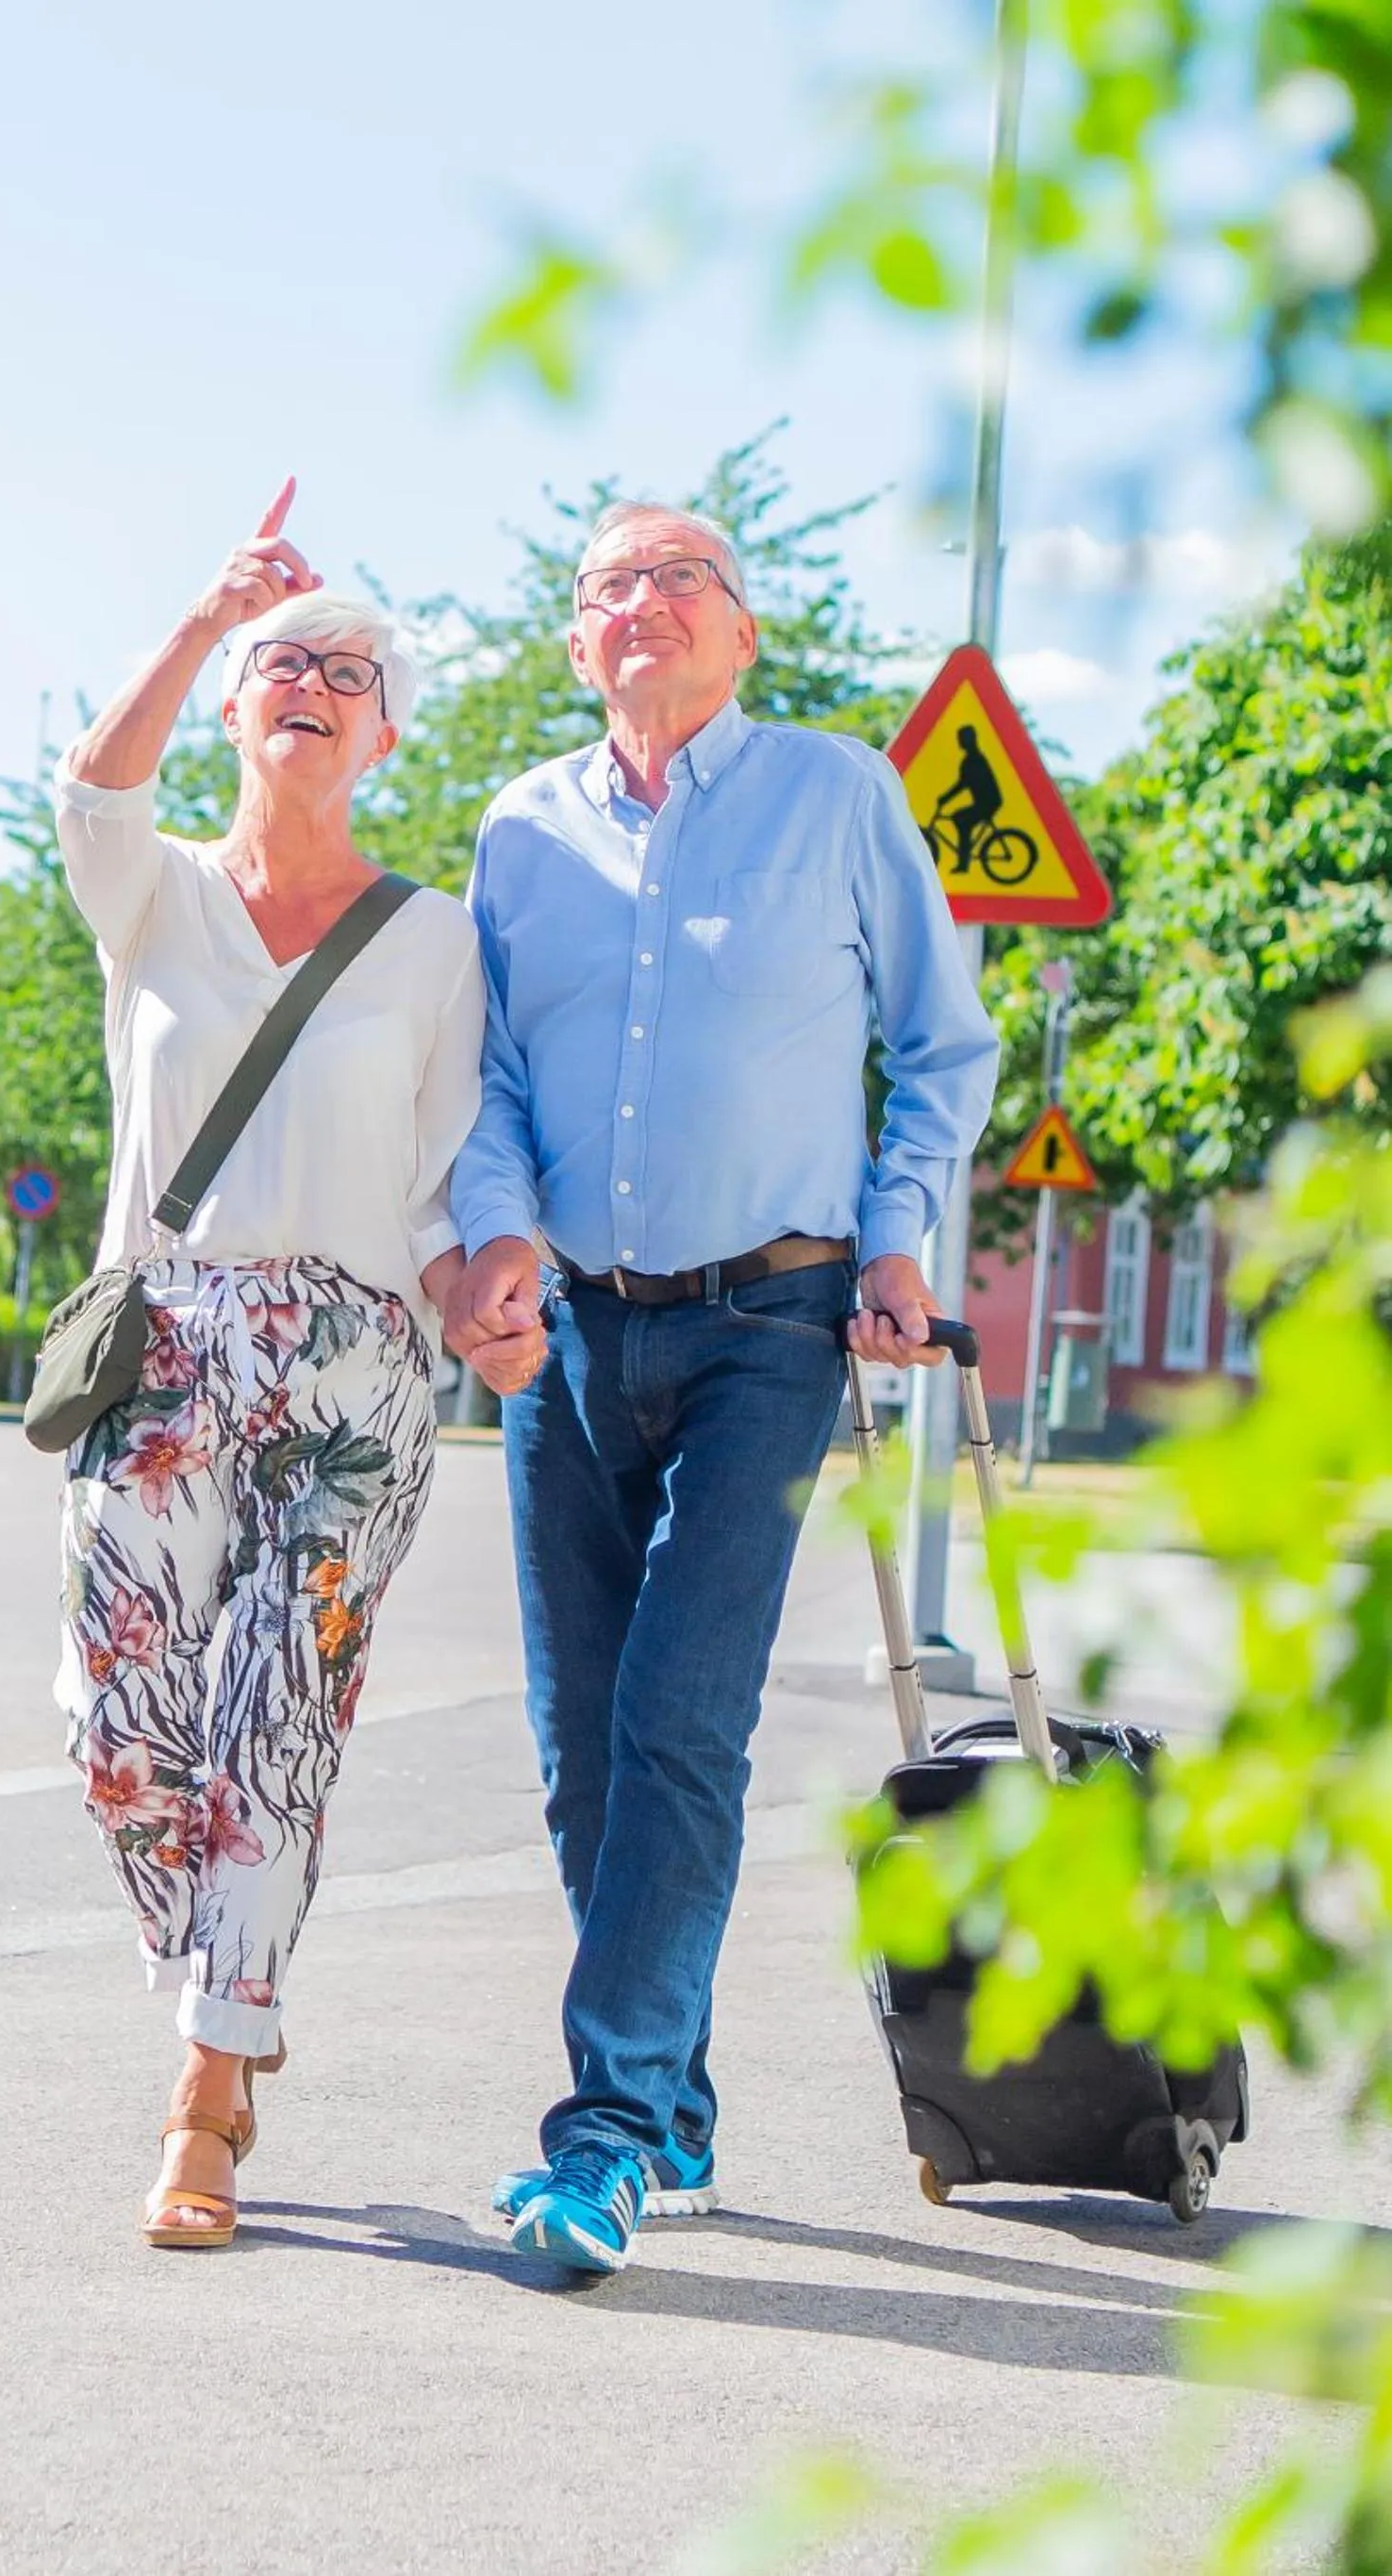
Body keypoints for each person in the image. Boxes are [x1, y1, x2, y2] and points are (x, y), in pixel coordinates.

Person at [446, 500, 1000, 2275]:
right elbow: (486, 1084)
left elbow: (940, 1041)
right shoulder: (518, 832)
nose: (643, 604)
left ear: (739, 631)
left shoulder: (834, 797)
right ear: (573, 641)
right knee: (579, 1756)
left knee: (682, 1721)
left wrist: (901, 1238)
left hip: (774, 1320)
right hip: (570, 1343)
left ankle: (601, 2134)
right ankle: (673, 2101)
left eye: (681, 577)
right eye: (608, 583)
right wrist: (499, 1232)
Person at [51, 484, 489, 2249]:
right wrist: (198, 612)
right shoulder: (148, 896)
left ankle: (209, 2088)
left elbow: (453, 1176)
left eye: (345, 671)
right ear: (236, 708)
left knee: (279, 1717)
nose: (309, 682)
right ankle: (230, 1966)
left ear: (384, 731)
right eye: (278, 664)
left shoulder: (437, 939)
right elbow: (92, 788)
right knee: (112, 1728)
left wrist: (488, 1298)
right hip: (162, 1343)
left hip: (356, 1368)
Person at [933, 723, 1003, 873]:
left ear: (969, 739)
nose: (959, 742)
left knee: (962, 821)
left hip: (989, 803)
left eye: (962, 739)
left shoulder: (974, 760)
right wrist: (945, 798)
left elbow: (962, 784)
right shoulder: (971, 759)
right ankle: (965, 853)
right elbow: (963, 783)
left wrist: (945, 798)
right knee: (958, 817)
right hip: (984, 802)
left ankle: (964, 862)